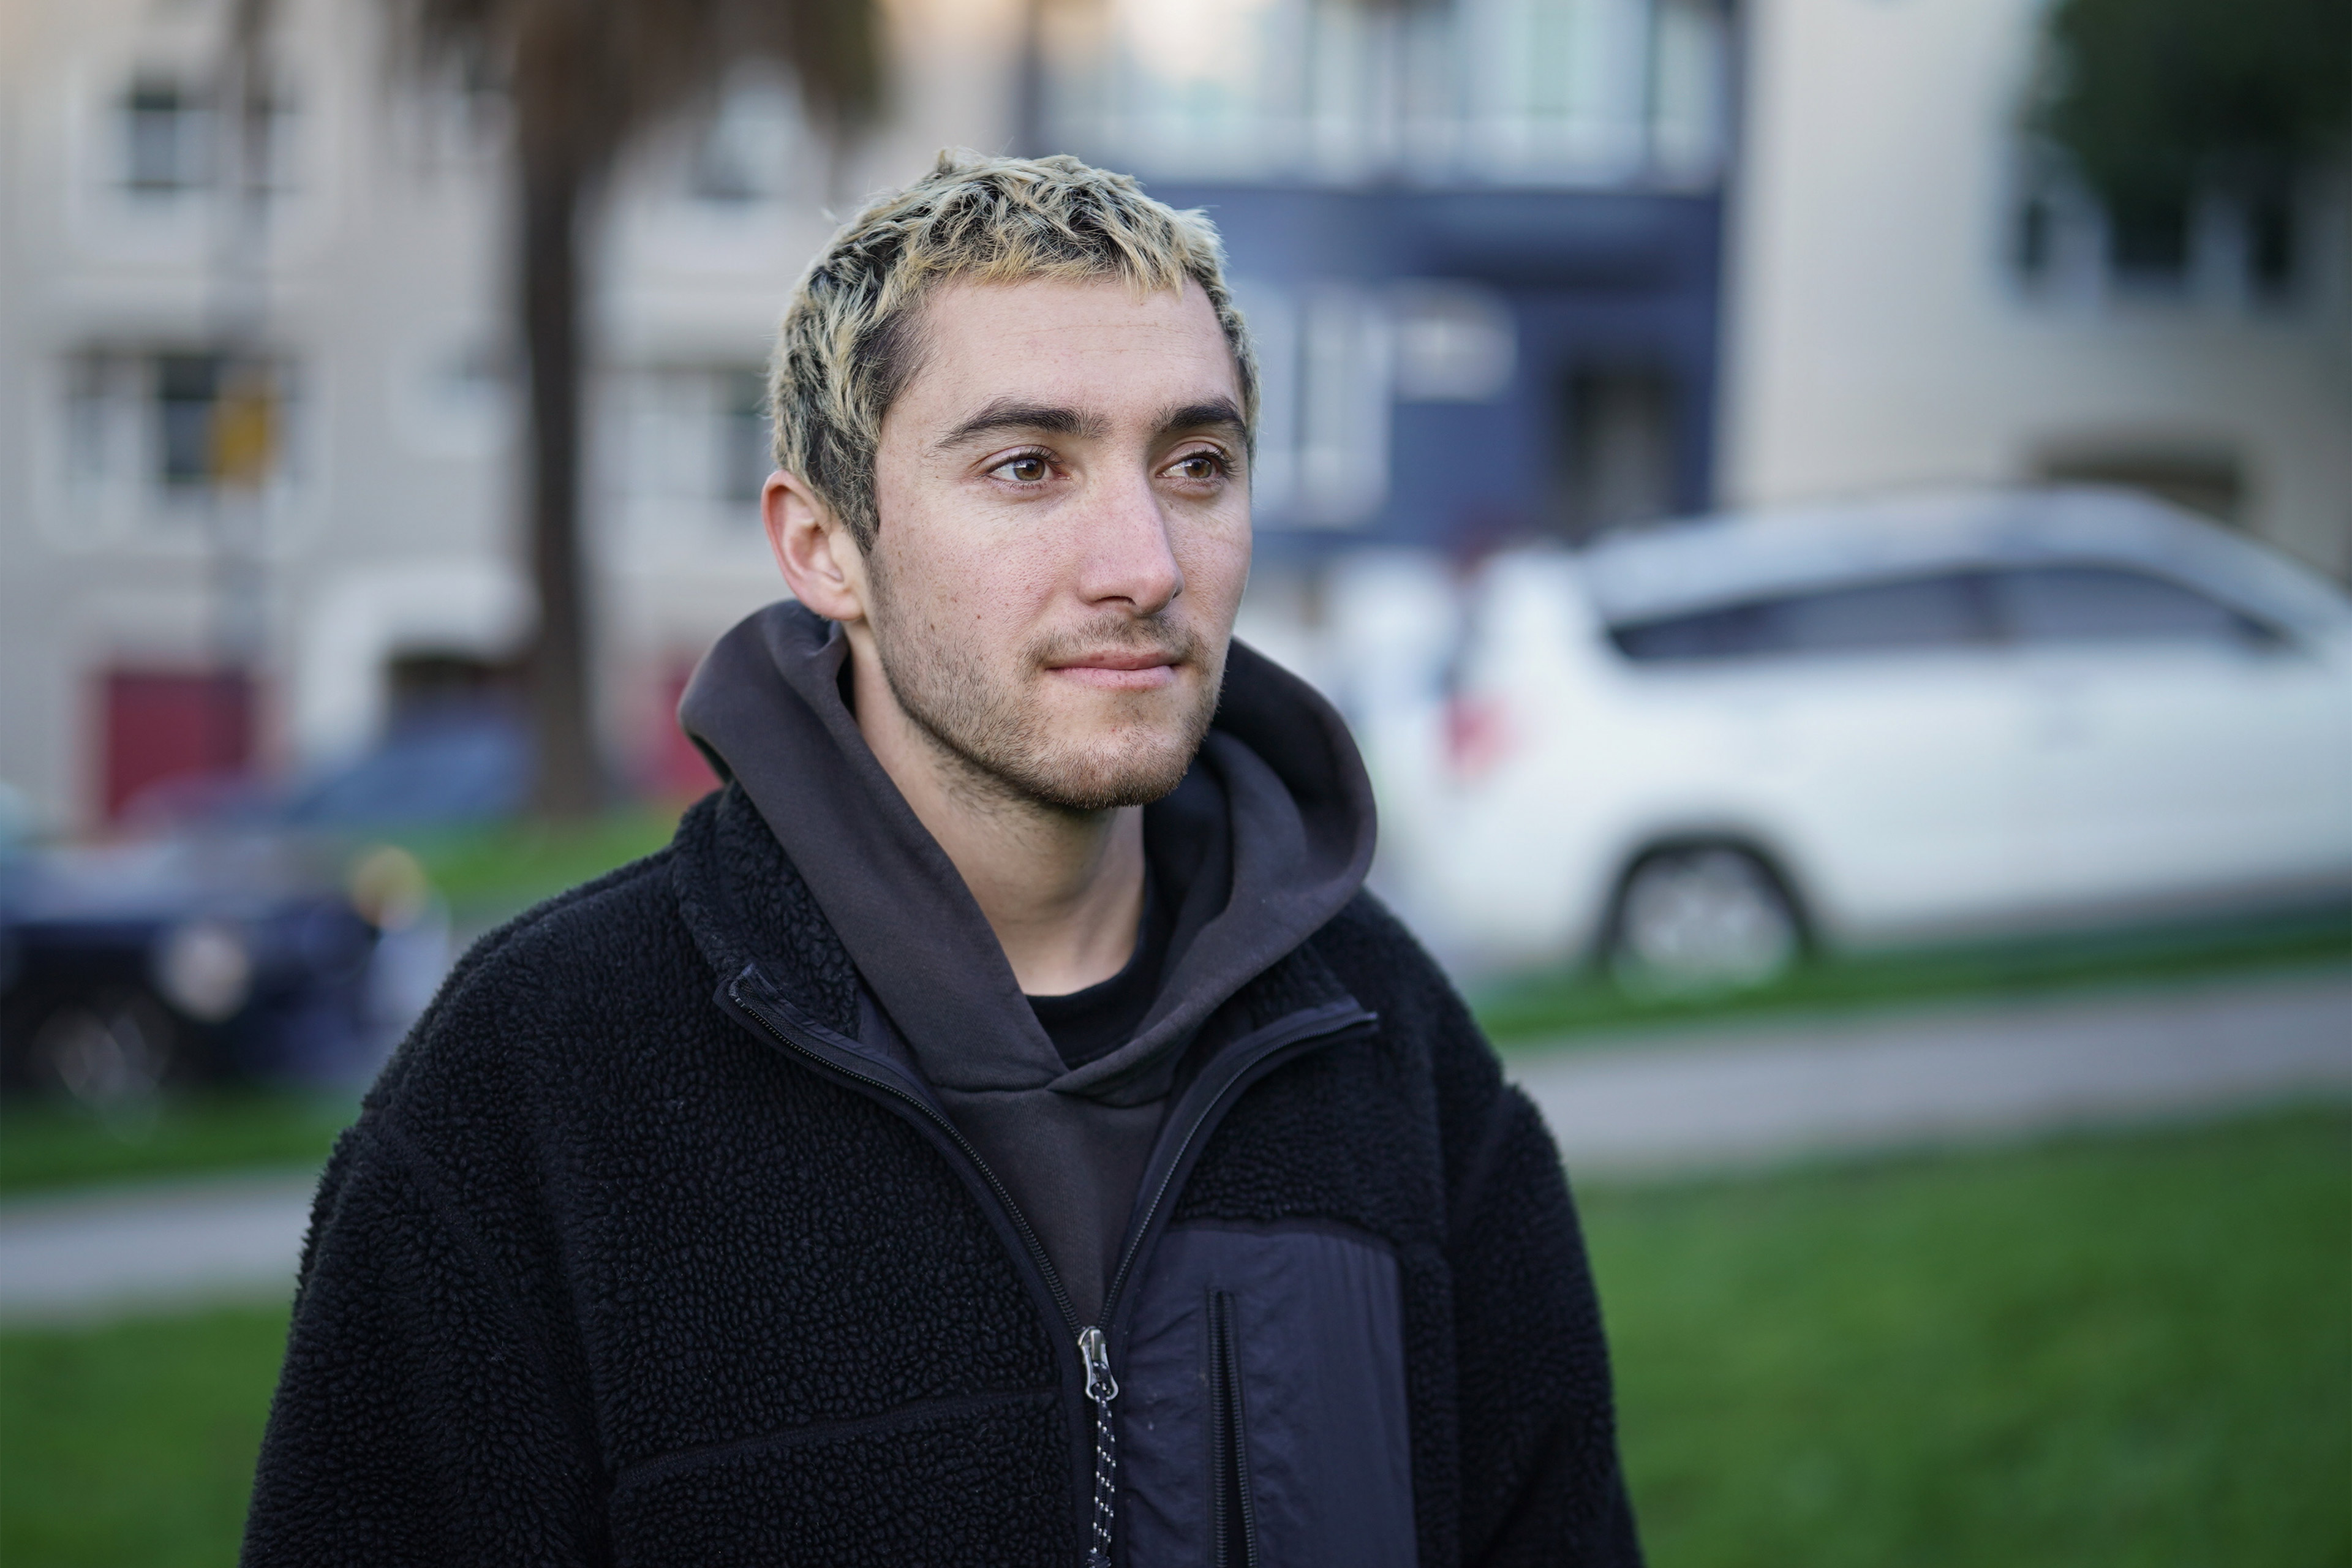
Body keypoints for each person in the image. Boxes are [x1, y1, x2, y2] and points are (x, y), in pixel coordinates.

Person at [243, 151, 1641, 1567]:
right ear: (824, 546)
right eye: (1028, 465)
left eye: (1196, 465)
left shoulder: (1385, 1043)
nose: (1143, 562)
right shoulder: (541, 1080)